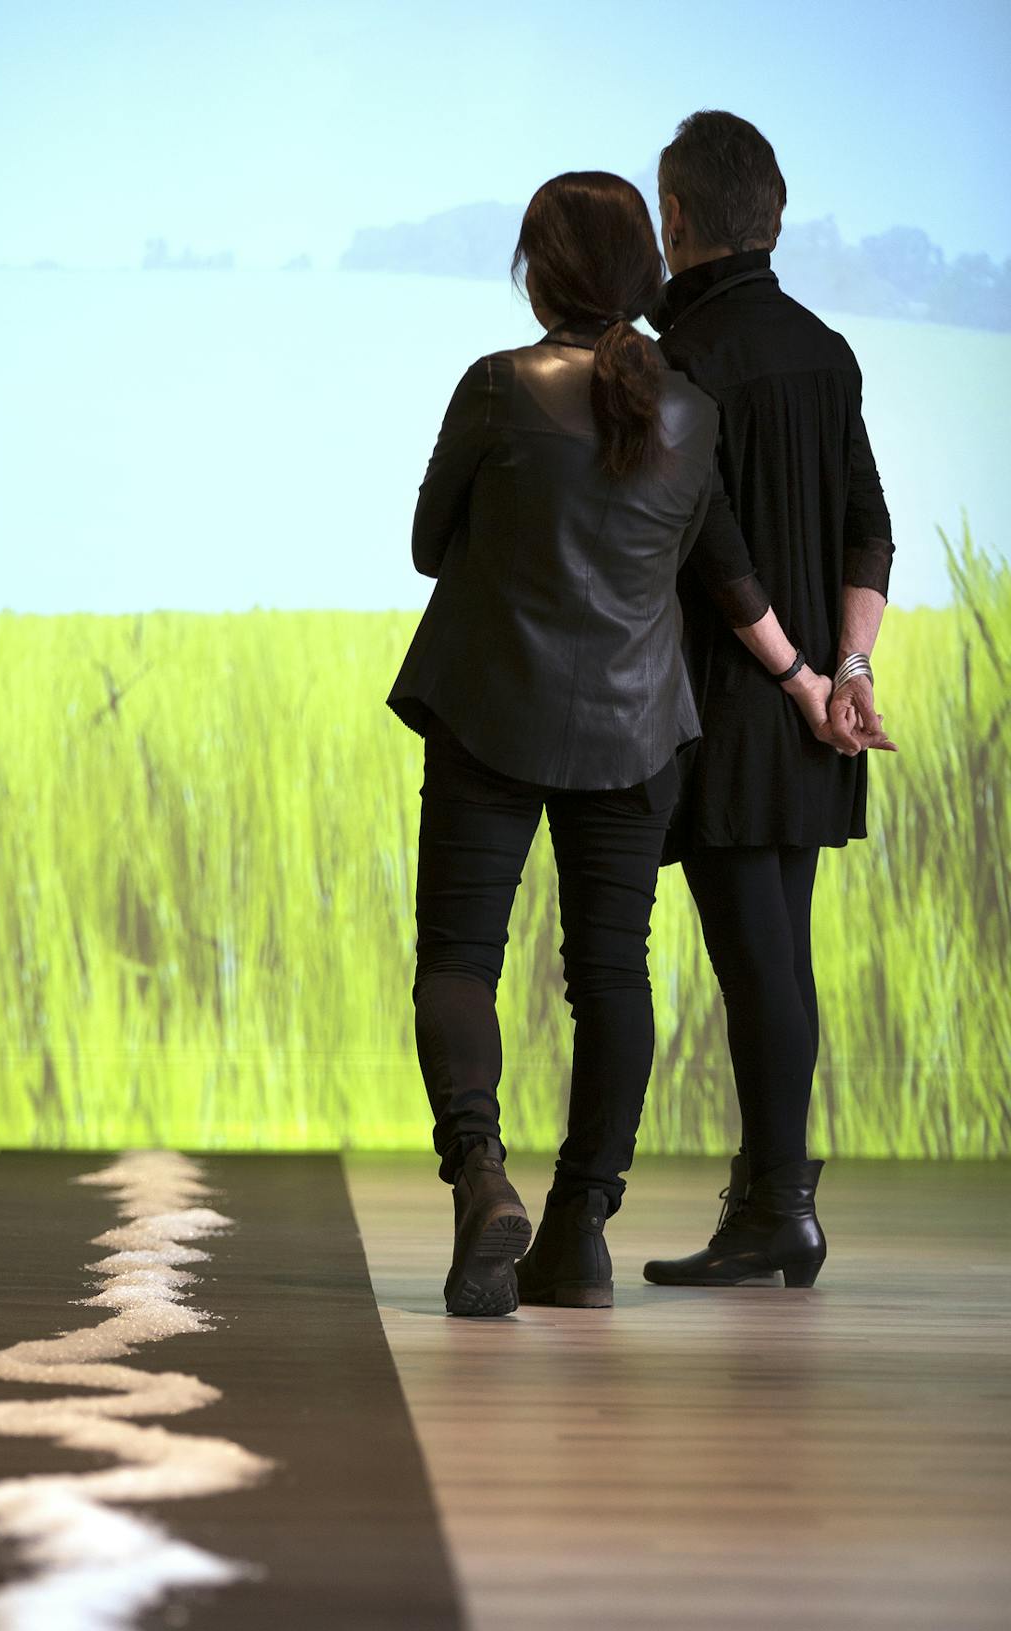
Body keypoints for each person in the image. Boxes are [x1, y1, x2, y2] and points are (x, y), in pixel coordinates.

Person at [386, 171, 788, 1318]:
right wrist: (817, 677)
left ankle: (478, 1178)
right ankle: (579, 1233)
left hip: (487, 715)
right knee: (608, 972)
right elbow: (711, 568)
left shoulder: (497, 387)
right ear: (642, 275)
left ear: (539, 274)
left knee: (460, 957)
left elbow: (426, 546)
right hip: (635, 734)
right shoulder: (690, 411)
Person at [642, 110, 897, 1290]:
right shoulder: (823, 348)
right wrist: (845, 674)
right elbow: (868, 526)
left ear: (675, 220)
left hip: (738, 706)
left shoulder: (680, 359)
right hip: (808, 713)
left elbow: (710, 543)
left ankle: (777, 1211)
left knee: (757, 967)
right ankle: (766, 1202)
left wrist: (794, 676)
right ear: (776, 214)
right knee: (776, 957)